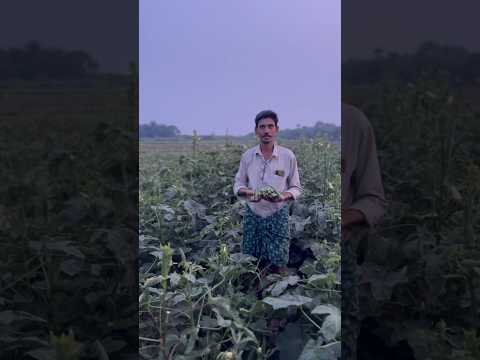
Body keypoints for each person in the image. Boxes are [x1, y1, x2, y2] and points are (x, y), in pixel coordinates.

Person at [341, 103, 387, 359]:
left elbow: (373, 199)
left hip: (338, 252)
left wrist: (341, 219)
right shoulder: (268, 128)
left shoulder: (353, 123)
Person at [233, 110, 301, 275]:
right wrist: (250, 193)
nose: (266, 131)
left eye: (270, 126)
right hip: (253, 214)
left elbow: (296, 188)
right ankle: (256, 294)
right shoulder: (248, 156)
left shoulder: (287, 156)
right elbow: (238, 184)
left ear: (276, 129)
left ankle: (280, 292)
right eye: (262, 127)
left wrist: (282, 196)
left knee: (279, 259)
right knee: (253, 260)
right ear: (256, 130)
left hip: (278, 214)